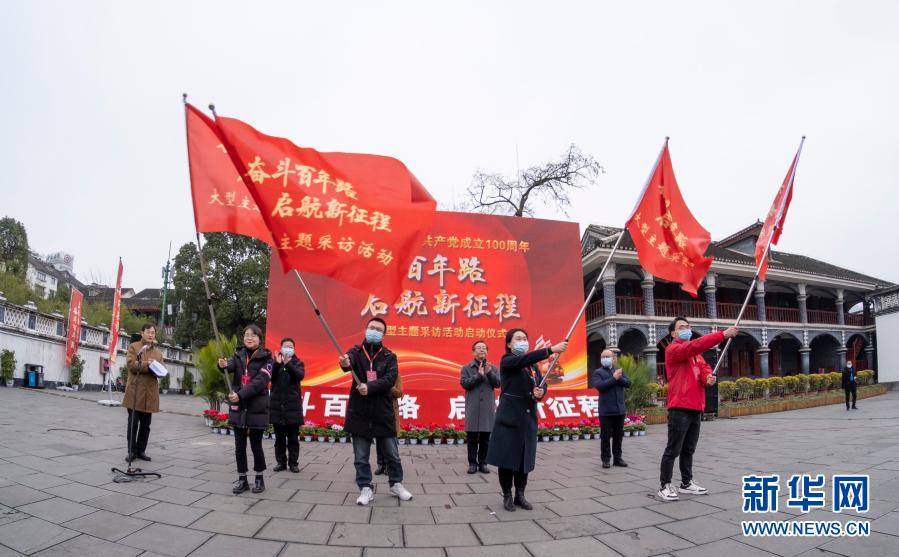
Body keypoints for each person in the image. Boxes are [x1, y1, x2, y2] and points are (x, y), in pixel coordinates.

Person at [486, 329, 568, 512]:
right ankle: (507, 495)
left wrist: (540, 392)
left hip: (527, 419)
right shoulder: (508, 361)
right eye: (518, 339)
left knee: (524, 460)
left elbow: (542, 384)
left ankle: (520, 495)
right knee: (507, 460)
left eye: (524, 338)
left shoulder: (533, 367)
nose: (522, 341)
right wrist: (550, 350)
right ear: (509, 344)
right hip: (509, 419)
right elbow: (522, 360)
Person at [657, 317, 737, 502]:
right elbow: (695, 345)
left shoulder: (696, 356)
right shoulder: (673, 350)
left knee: (689, 449)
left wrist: (708, 377)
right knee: (673, 449)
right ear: (673, 333)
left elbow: (704, 369)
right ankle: (665, 485)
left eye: (688, 326)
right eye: (681, 327)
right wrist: (723, 335)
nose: (686, 329)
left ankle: (686, 483)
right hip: (679, 408)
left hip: (695, 407)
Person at [339, 317, 412, 505]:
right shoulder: (355, 352)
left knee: (392, 455)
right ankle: (365, 488)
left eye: (378, 329)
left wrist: (369, 387)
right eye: (371, 327)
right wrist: (345, 362)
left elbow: (389, 379)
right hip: (359, 413)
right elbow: (347, 363)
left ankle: (396, 484)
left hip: (383, 412)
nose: (374, 331)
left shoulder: (389, 356)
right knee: (361, 457)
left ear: (384, 334)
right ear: (365, 329)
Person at [218, 324, 273, 495]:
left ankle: (259, 478)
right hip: (239, 408)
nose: (249, 338)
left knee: (256, 445)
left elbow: (260, 382)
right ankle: (242, 479)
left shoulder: (268, 359)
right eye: (247, 335)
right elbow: (229, 366)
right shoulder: (238, 355)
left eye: (253, 335)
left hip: (257, 407)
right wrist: (222, 365)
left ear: (259, 339)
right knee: (239, 446)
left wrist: (240, 395)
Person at [123, 323, 163, 462]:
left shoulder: (158, 353)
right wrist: (148, 364)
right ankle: (132, 451)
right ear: (142, 333)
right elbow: (131, 365)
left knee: (146, 426)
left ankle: (141, 451)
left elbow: (161, 370)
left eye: (153, 332)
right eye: (148, 332)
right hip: (135, 392)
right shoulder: (134, 347)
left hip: (150, 394)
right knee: (133, 424)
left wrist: (157, 367)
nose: (151, 335)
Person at [460, 340, 500, 474]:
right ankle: (472, 463)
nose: (481, 349)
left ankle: (483, 463)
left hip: (487, 408)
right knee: (471, 438)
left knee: (485, 439)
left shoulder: (493, 368)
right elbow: (465, 384)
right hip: (473, 407)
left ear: (487, 351)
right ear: (473, 352)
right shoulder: (466, 368)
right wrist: (478, 376)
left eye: (484, 348)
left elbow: (498, 383)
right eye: (478, 348)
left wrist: (489, 373)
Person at [591, 349, 631, 469]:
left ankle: (618, 459)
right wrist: (614, 379)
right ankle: (606, 459)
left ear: (613, 358)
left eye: (607, 356)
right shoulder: (598, 372)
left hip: (619, 410)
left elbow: (628, 383)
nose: (605, 359)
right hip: (606, 411)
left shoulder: (619, 371)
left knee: (618, 436)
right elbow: (600, 386)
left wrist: (619, 378)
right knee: (605, 436)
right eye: (603, 357)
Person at [270, 337, 305, 473]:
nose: (288, 349)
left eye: (291, 347)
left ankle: (293, 463)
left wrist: (288, 364)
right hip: (277, 406)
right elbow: (270, 376)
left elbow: (299, 376)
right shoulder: (275, 362)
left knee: (293, 439)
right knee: (279, 439)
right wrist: (277, 364)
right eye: (286, 346)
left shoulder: (298, 363)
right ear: (281, 348)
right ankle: (281, 462)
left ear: (294, 349)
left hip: (292, 407)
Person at [374, 369, 403, 476]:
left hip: (390, 412)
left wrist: (388, 386)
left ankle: (389, 466)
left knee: (390, 442)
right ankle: (380, 465)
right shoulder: (376, 375)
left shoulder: (396, 376)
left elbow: (399, 393)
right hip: (378, 410)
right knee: (379, 440)